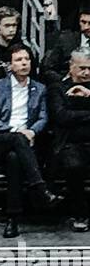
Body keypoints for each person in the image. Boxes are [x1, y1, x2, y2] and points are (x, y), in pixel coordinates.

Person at [0, 43, 58, 239]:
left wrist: (31, 131)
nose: (24, 63)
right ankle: (40, 188)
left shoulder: (39, 89)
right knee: (16, 140)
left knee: (15, 158)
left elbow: (43, 118)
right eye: (18, 60)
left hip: (24, 145)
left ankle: (12, 218)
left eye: (27, 59)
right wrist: (18, 132)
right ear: (9, 65)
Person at [47, 50, 90, 232]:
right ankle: (81, 213)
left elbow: (70, 114)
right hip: (69, 143)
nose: (87, 73)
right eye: (82, 68)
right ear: (71, 67)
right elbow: (61, 116)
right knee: (74, 166)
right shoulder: (57, 88)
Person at [40, 3, 90, 84]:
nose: (86, 27)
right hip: (67, 87)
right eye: (83, 22)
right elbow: (48, 69)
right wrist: (64, 81)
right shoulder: (66, 40)